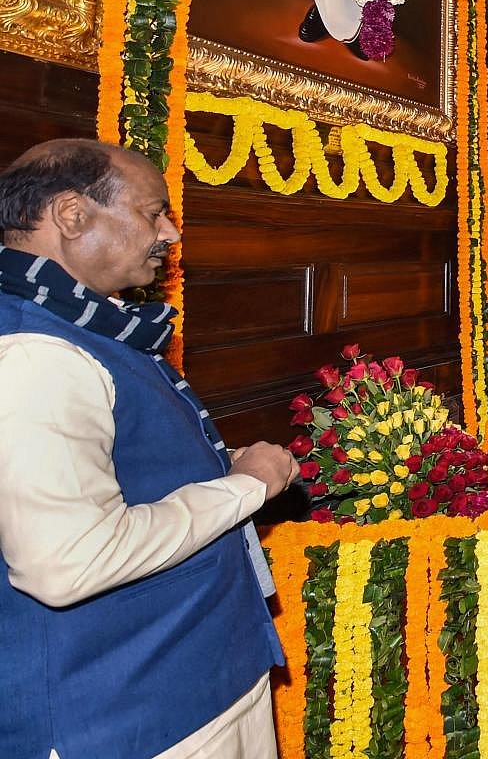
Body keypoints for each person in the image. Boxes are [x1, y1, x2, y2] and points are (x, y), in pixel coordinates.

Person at [0, 139, 300, 759]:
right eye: (152, 212)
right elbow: (69, 563)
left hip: (192, 677)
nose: (170, 232)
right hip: (125, 711)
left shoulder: (80, 324)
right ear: (72, 215)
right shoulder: (34, 352)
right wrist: (247, 486)